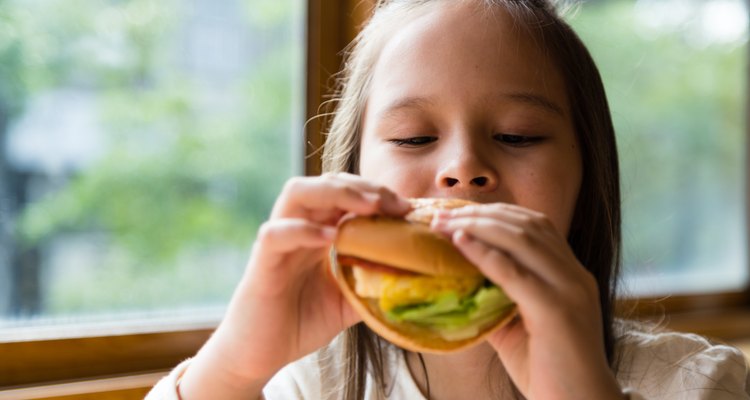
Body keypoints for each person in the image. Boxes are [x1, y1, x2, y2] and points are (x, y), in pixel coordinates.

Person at [147, 0, 750, 398]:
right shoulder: (304, 386)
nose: (463, 169)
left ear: (586, 177)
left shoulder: (698, 384)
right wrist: (232, 369)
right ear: (352, 173)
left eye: (517, 136)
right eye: (413, 138)